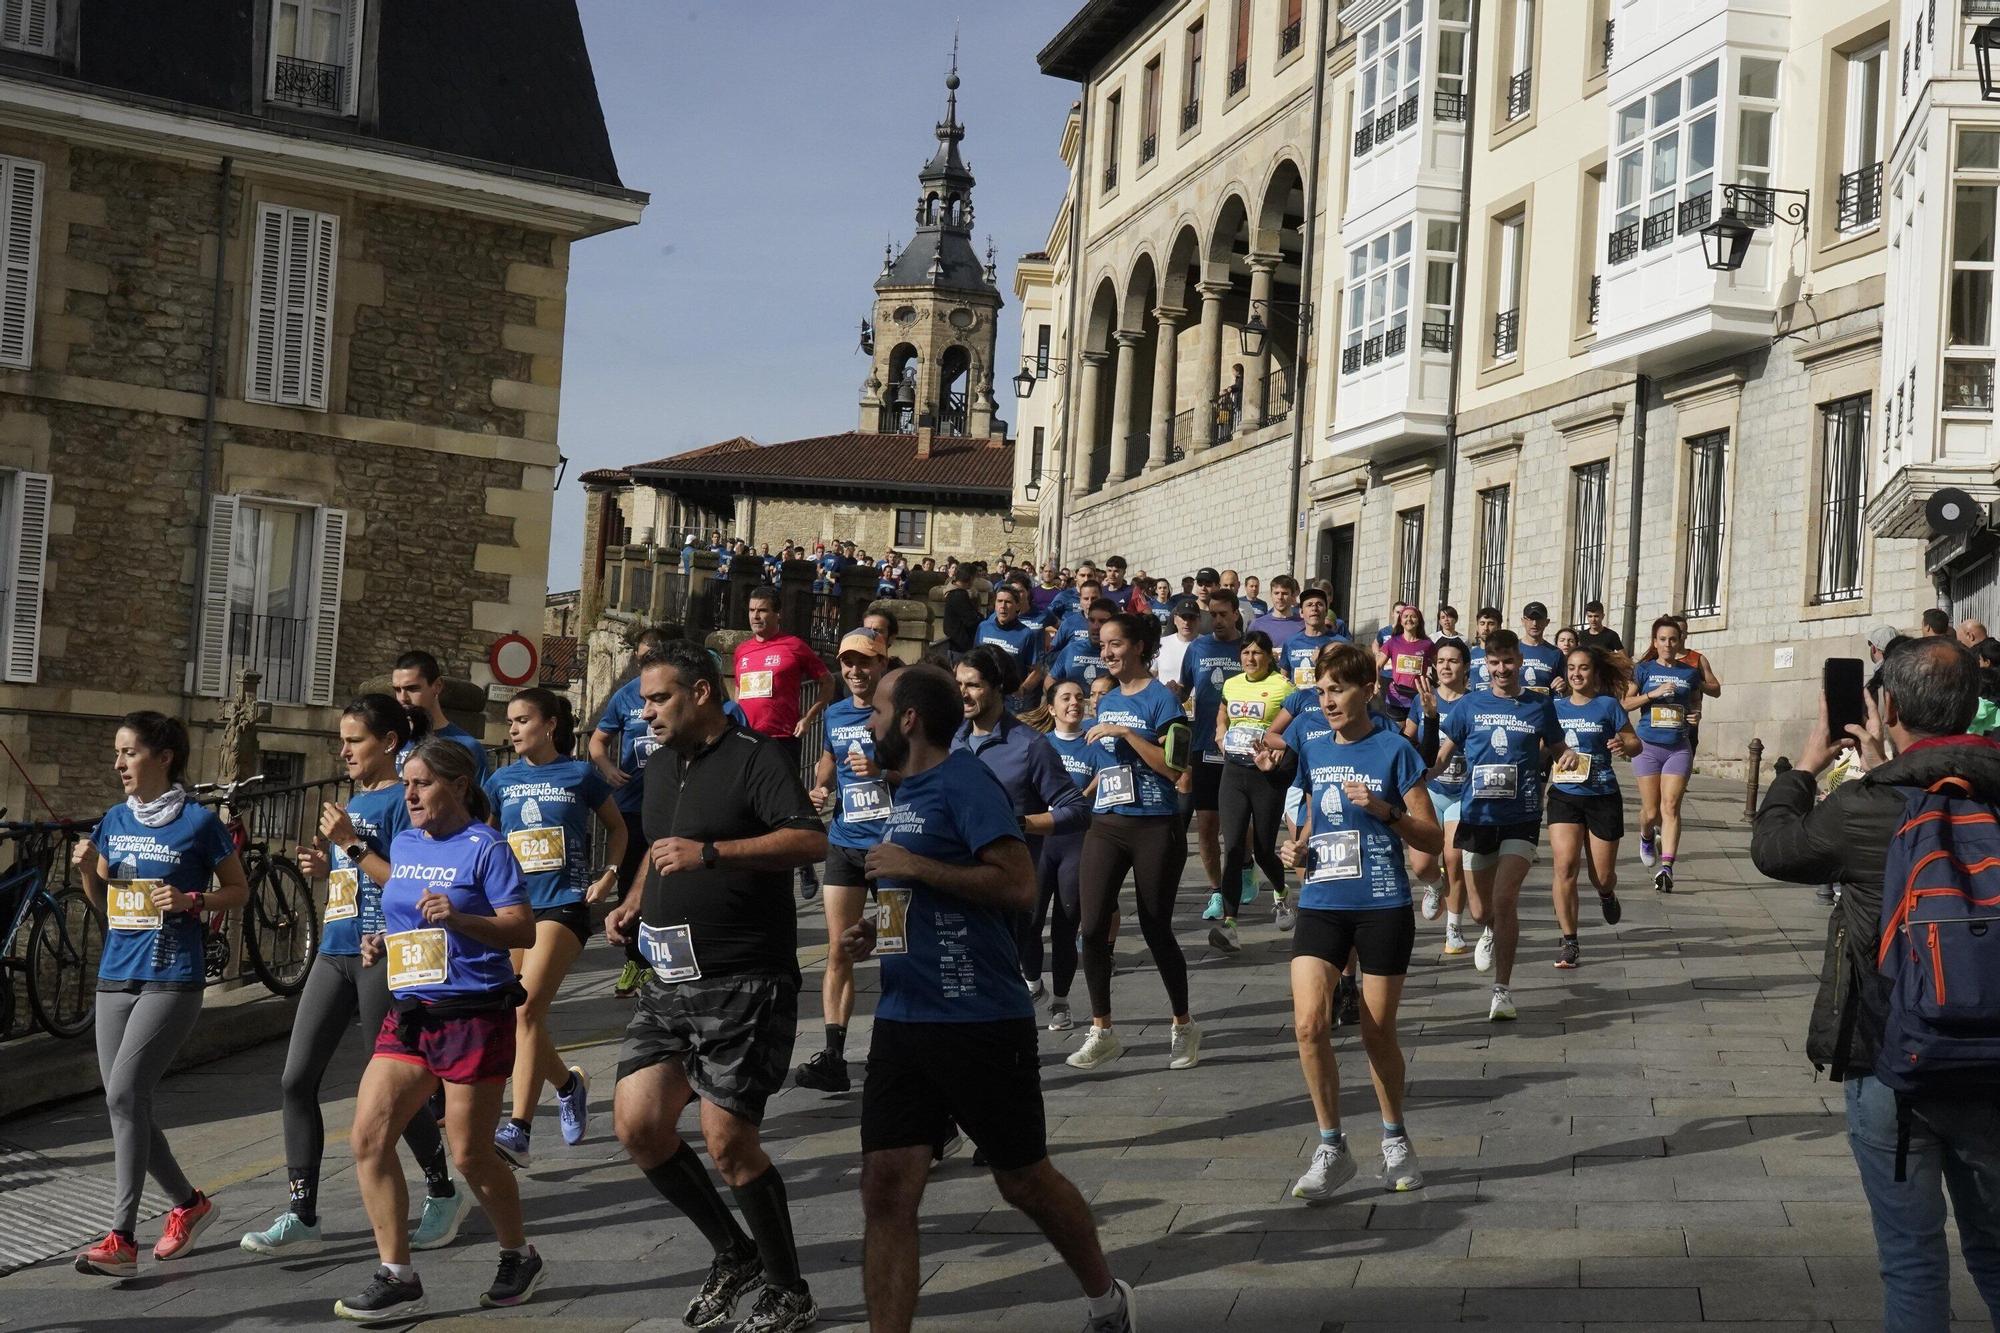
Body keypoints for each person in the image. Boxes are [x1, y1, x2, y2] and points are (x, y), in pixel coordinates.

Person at [845, 664, 1140, 1333]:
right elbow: (913, 885)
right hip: (903, 1017)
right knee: (886, 1187)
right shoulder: (906, 789)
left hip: (980, 1018)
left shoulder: (964, 781)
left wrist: (913, 866)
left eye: (880, 711)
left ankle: (1106, 1299)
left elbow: (1016, 884)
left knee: (1023, 1180)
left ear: (911, 718)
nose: (869, 723)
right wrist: (881, 925)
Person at [1750, 636, 2000, 1331]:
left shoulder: (1864, 806)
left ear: (1886, 707)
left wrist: (1807, 763)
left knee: (1913, 1260)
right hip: (1995, 1064)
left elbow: (1775, 847)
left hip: (1889, 1054)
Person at [606, 640, 826, 1333]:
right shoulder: (662, 762)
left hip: (746, 976)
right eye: (642, 700)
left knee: (728, 1140)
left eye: (658, 698)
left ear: (702, 692)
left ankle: (789, 1288)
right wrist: (634, 896)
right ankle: (734, 1252)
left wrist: (714, 853)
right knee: (639, 1124)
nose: (646, 713)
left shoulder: (756, 759)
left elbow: (807, 839)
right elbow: (658, 844)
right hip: (668, 980)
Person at [241, 696, 465, 1259]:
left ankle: (442, 1191)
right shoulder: (351, 802)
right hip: (334, 951)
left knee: (392, 1091)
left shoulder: (403, 801)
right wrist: (328, 867)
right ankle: (302, 1212)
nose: (343, 751)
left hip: (381, 956)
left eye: (354, 741)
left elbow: (408, 884)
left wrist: (349, 844)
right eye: (341, 741)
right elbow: (358, 876)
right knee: (295, 1079)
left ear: (388, 742)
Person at [335, 737, 543, 1319]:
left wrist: (460, 917)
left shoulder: (487, 849)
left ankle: (517, 1253)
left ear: (457, 784)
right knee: (368, 1138)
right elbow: (405, 912)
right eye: (407, 783)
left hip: (474, 1013)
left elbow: (521, 930)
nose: (411, 794)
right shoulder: (404, 840)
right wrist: (386, 943)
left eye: (422, 783)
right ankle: (397, 1272)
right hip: (410, 1013)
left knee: (471, 1154)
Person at [72, 713, 248, 1279]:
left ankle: (122, 1236)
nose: (118, 764)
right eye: (116, 753)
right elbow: (105, 905)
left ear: (163, 756)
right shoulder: (115, 820)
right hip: (115, 975)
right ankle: (190, 1205)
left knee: (125, 1094)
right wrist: (84, 872)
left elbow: (238, 891)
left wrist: (193, 900)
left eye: (128, 753)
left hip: (173, 975)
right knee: (126, 1102)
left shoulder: (198, 823)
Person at [1275, 643, 1441, 1202]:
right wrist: (1295, 848)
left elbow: (1431, 838)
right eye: (1321, 691)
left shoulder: (1395, 750)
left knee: (1376, 1032)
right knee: (1307, 1025)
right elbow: (1313, 812)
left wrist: (1384, 810)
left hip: (1381, 902)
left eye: (1338, 690)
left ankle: (1395, 1136)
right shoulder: (1312, 742)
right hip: (1322, 899)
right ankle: (1331, 1146)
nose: (1328, 701)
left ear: (1367, 689)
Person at [486, 690, 624, 1168]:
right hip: (512, 909)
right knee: (515, 1014)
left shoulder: (580, 773)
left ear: (549, 725)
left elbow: (618, 828)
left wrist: (608, 875)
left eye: (523, 720)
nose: (514, 729)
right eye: (510, 721)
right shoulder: (500, 780)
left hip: (564, 905)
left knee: (524, 1011)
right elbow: (484, 841)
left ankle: (519, 1129)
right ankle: (568, 1085)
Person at [1070, 612, 1199, 1072]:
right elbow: (1108, 765)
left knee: (1155, 927)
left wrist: (1126, 733)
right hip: (1107, 822)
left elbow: (1174, 769)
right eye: (1103, 645)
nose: (1107, 652)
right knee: (1090, 927)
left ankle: (1183, 1024)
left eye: (1116, 644)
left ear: (1139, 647)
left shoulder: (1163, 700)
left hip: (1153, 823)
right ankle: (1102, 1029)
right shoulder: (1105, 701)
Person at [1434, 631, 1571, 1022]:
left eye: (1508, 661)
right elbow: (1445, 755)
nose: (1502, 670)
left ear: (1520, 662)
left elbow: (1559, 747)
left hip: (1522, 816)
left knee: (1505, 899)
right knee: (1480, 911)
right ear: (1485, 666)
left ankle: (1502, 990)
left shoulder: (1539, 706)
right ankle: (1489, 930)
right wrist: (1422, 775)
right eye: (1494, 663)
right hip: (1477, 816)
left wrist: (1569, 757)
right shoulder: (1469, 705)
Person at [952, 645, 1090, 1000]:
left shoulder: (1030, 745)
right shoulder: (953, 741)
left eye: (974, 685)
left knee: (998, 988)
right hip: (958, 883)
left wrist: (1021, 823)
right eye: (959, 684)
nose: (963, 693)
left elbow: (1075, 809)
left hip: (1008, 887)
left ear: (997, 687)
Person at [797, 628, 894, 1094]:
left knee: (897, 948)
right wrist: (821, 786)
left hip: (893, 847)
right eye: (848, 663)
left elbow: (922, 768)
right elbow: (828, 761)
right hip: (844, 841)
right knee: (839, 950)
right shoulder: (835, 714)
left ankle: (897, 1051)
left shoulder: (897, 713)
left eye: (866, 663)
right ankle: (833, 1057)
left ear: (883, 665)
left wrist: (881, 772)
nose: (856, 671)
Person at [734, 584, 832, 900]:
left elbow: (827, 681)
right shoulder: (742, 651)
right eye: (752, 610)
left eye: (762, 610)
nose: (756, 616)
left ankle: (803, 859)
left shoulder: (793, 646)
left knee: (789, 803)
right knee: (751, 806)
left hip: (782, 738)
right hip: (748, 738)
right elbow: (739, 692)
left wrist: (810, 716)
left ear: (777, 613)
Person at [1547, 649, 1640, 970]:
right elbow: (1540, 746)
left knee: (1601, 876)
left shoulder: (1607, 705)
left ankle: (1606, 894)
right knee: (1565, 867)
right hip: (1564, 795)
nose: (1576, 674)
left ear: (1594, 673)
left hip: (1602, 795)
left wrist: (1622, 745)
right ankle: (1569, 941)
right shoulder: (1554, 708)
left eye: (1583, 668)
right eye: (1571, 668)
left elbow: (1634, 743)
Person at [595, 628, 674, 1000]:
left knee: (667, 881)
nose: (646, 661)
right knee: (630, 884)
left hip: (672, 804)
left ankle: (662, 959)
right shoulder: (625, 696)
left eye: (653, 654)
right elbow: (598, 741)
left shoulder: (679, 694)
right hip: (630, 804)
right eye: (642, 655)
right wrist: (608, 769)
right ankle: (635, 960)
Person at [1211, 631, 1294, 952]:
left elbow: (1295, 725)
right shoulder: (1232, 684)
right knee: (1232, 848)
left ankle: (1282, 893)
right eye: (1245, 653)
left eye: (1257, 653)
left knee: (1262, 849)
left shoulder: (1282, 687)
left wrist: (1279, 752)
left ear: (1269, 657)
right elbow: (1223, 709)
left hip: (1265, 778)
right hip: (1233, 773)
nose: (1250, 658)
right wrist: (1220, 730)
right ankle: (1230, 925)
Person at [1626, 615, 1722, 894]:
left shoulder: (1689, 672)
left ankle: (1667, 866)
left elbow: (1695, 704)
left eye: (1673, 639)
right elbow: (1625, 703)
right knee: (1651, 811)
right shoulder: (1642, 670)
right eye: (1663, 639)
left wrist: (1696, 716)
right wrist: (1651, 695)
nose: (1668, 644)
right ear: (1655, 642)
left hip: (1678, 746)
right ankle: (1646, 836)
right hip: (1648, 746)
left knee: (1670, 807)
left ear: (1680, 641)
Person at [1177, 588, 1246, 923]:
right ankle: (1218, 891)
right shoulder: (1197, 648)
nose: (1217, 620)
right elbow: (1185, 691)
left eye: (1222, 614)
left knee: (1242, 826)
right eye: (1212, 615)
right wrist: (1171, 693)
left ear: (1235, 613)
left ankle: (1246, 865)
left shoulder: (1248, 648)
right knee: (1207, 826)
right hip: (1205, 746)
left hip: (1243, 749)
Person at [1040, 680, 1096, 1030]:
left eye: (1079, 697)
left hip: (1076, 841)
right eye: (1066, 698)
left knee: (1065, 923)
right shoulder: (1038, 745)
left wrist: (1078, 797)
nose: (1074, 703)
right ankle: (1032, 983)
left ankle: (1060, 1001)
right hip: (1040, 842)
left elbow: (1108, 778)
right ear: (1051, 708)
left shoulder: (1095, 745)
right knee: (1029, 922)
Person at [1417, 640, 1474, 955]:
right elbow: (1407, 737)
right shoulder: (1423, 699)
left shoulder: (1474, 703)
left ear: (1465, 666)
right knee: (1422, 864)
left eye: (1453, 661)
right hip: (1429, 792)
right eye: (1440, 661)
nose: (1446, 666)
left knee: (1453, 859)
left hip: (1462, 793)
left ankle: (1454, 928)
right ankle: (1433, 886)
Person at [391, 651, 488, 780]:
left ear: (437, 686)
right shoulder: (390, 743)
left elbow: (478, 799)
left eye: (412, 688)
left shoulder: (467, 747)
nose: (403, 698)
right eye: (397, 690)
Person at [973, 583, 1047, 714]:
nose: (1003, 606)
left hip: (1010, 703)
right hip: (984, 695)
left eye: (1008, 602)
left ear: (1018, 606)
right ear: (994, 604)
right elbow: (973, 660)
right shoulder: (983, 627)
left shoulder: (1026, 634)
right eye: (999, 601)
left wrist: (1022, 690)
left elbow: (1037, 671)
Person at [1377, 605, 1435, 724]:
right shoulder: (1393, 642)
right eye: (1405, 617)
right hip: (1396, 698)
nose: (1409, 619)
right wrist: (1376, 682)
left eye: (1413, 616)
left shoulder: (1427, 644)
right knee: (1398, 736)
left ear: (1418, 621)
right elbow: (1377, 665)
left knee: (1414, 738)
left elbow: (1439, 663)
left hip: (1419, 698)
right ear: (1401, 621)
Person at [1047, 596, 1115, 693]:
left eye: (1102, 621)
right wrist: (1057, 699)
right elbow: (1051, 679)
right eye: (1091, 620)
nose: (1095, 626)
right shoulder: (1072, 648)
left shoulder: (1119, 654)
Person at [1282, 587, 1344, 689]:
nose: (1314, 608)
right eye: (1309, 605)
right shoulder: (1290, 642)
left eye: (1319, 604)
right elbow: (1284, 678)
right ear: (1301, 612)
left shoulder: (1341, 643)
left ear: (1326, 611)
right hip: (1299, 703)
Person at [1515, 603, 1565, 695]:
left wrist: (1562, 686)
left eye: (1539, 619)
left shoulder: (1556, 653)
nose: (1534, 623)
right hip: (1515, 707)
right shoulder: (1512, 649)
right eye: (1530, 619)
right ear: (1523, 621)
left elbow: (1564, 685)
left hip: (1544, 707)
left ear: (1547, 622)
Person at [1157, 594, 1203, 686]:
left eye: (1192, 618)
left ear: (1199, 620)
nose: (1186, 622)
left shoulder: (1208, 645)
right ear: (1175, 619)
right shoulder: (1161, 644)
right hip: (1167, 699)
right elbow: (1150, 674)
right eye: (1183, 617)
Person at [1248, 574, 1303, 650]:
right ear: (1271, 594)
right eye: (1276, 593)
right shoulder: (1257, 625)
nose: (1280, 597)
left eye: (1285, 593)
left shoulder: (1303, 623)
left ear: (1293, 595)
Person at [940, 562, 981, 658]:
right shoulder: (958, 595)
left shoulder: (957, 593)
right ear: (970, 578)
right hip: (959, 646)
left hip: (958, 644)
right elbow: (970, 620)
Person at [1467, 607, 1503, 687]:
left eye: (1491, 624)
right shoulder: (1469, 654)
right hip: (1475, 698)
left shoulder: (1504, 653)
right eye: (1482, 623)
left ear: (1499, 627)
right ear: (1477, 627)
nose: (1486, 628)